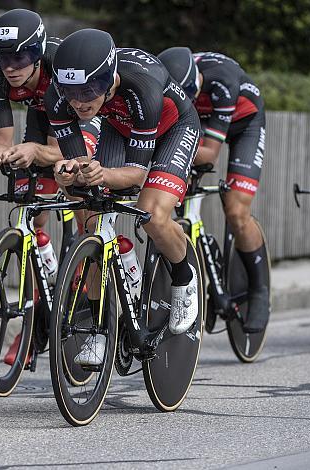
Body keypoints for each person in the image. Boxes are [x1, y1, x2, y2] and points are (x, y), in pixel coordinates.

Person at [45, 29, 202, 366]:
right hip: (121, 129)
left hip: (173, 128)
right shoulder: (57, 100)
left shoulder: (142, 85)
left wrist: (102, 174)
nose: (78, 102)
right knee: (92, 216)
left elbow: (137, 174)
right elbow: (81, 167)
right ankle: (101, 322)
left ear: (108, 80)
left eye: (87, 90)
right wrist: (68, 172)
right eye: (69, 92)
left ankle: (185, 277)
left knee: (152, 213)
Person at [0, 9, 100, 365]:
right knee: (27, 209)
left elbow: (64, 150)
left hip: (82, 115)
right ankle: (36, 319)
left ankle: (87, 286)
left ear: (39, 52)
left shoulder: (62, 70)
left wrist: (36, 150)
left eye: (20, 57)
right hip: (41, 114)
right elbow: (2, 139)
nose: (10, 67)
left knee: (81, 198)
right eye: (2, 58)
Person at [157, 47, 269, 333]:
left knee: (236, 210)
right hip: (200, 121)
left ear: (197, 83)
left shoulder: (222, 81)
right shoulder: (163, 80)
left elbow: (208, 154)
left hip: (244, 124)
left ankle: (259, 291)